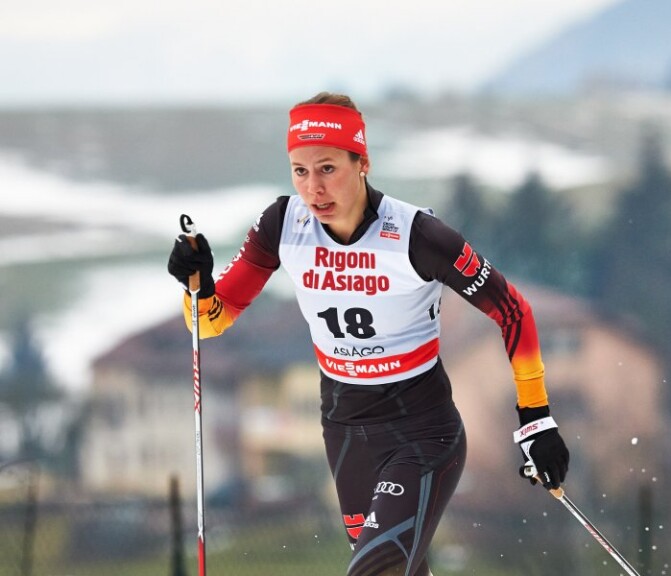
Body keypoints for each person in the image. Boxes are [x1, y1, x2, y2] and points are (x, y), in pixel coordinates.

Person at [167, 92, 569, 576]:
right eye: (300, 170)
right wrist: (195, 282)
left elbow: (512, 310)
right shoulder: (282, 224)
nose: (313, 188)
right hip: (346, 434)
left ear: (363, 163)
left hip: (421, 432)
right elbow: (209, 320)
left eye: (328, 168)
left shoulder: (419, 236)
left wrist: (536, 419)